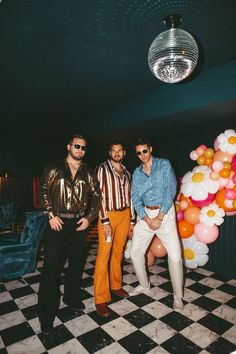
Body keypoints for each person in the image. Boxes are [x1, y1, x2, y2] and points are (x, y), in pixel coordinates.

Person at [38, 134, 101, 334]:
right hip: (57, 222)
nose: (80, 150)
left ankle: (71, 297)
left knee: (76, 263)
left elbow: (97, 196)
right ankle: (46, 316)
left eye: (83, 147)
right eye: (77, 146)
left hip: (79, 224)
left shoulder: (88, 172)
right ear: (68, 146)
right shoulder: (54, 167)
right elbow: (44, 190)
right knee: (51, 267)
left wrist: (89, 218)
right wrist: (50, 215)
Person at [129, 137, 184, 312]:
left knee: (175, 257)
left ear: (151, 149)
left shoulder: (164, 164)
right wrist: (146, 218)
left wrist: (159, 217)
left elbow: (170, 190)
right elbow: (135, 198)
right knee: (134, 252)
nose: (142, 155)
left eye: (145, 151)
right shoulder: (137, 173)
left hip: (165, 214)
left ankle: (178, 297)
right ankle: (144, 285)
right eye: (138, 152)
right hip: (145, 216)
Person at [94, 141, 135, 317]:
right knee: (104, 254)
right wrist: (104, 221)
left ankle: (116, 286)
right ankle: (100, 298)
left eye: (120, 151)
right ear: (109, 152)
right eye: (114, 150)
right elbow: (98, 196)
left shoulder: (127, 172)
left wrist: (132, 220)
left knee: (118, 252)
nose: (117, 153)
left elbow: (131, 196)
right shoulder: (102, 169)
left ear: (124, 152)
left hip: (125, 214)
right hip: (108, 216)